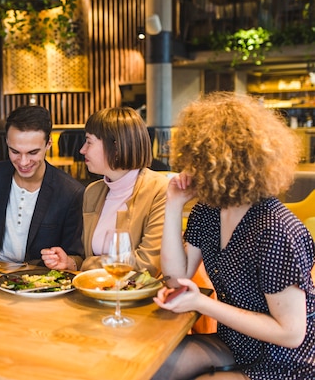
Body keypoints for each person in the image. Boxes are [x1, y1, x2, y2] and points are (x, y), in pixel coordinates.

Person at [153, 92, 315, 379]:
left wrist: (202, 303)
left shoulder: (275, 229)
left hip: (286, 360)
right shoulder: (209, 210)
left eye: (198, 160)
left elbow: (291, 333)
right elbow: (176, 278)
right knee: (154, 367)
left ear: (226, 164)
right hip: (236, 342)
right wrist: (174, 204)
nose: (189, 169)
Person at [45, 107, 168, 276]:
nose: (82, 150)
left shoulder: (160, 190)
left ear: (115, 147)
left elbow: (147, 264)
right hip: (96, 293)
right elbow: (88, 255)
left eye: (89, 142)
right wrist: (72, 262)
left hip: (137, 297)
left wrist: (86, 265)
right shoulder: (93, 192)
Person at [0, 105, 84, 270]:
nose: (23, 162)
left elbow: (75, 256)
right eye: (15, 151)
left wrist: (68, 261)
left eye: (33, 152)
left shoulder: (70, 192)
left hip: (39, 279)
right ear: (7, 142)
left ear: (48, 143)